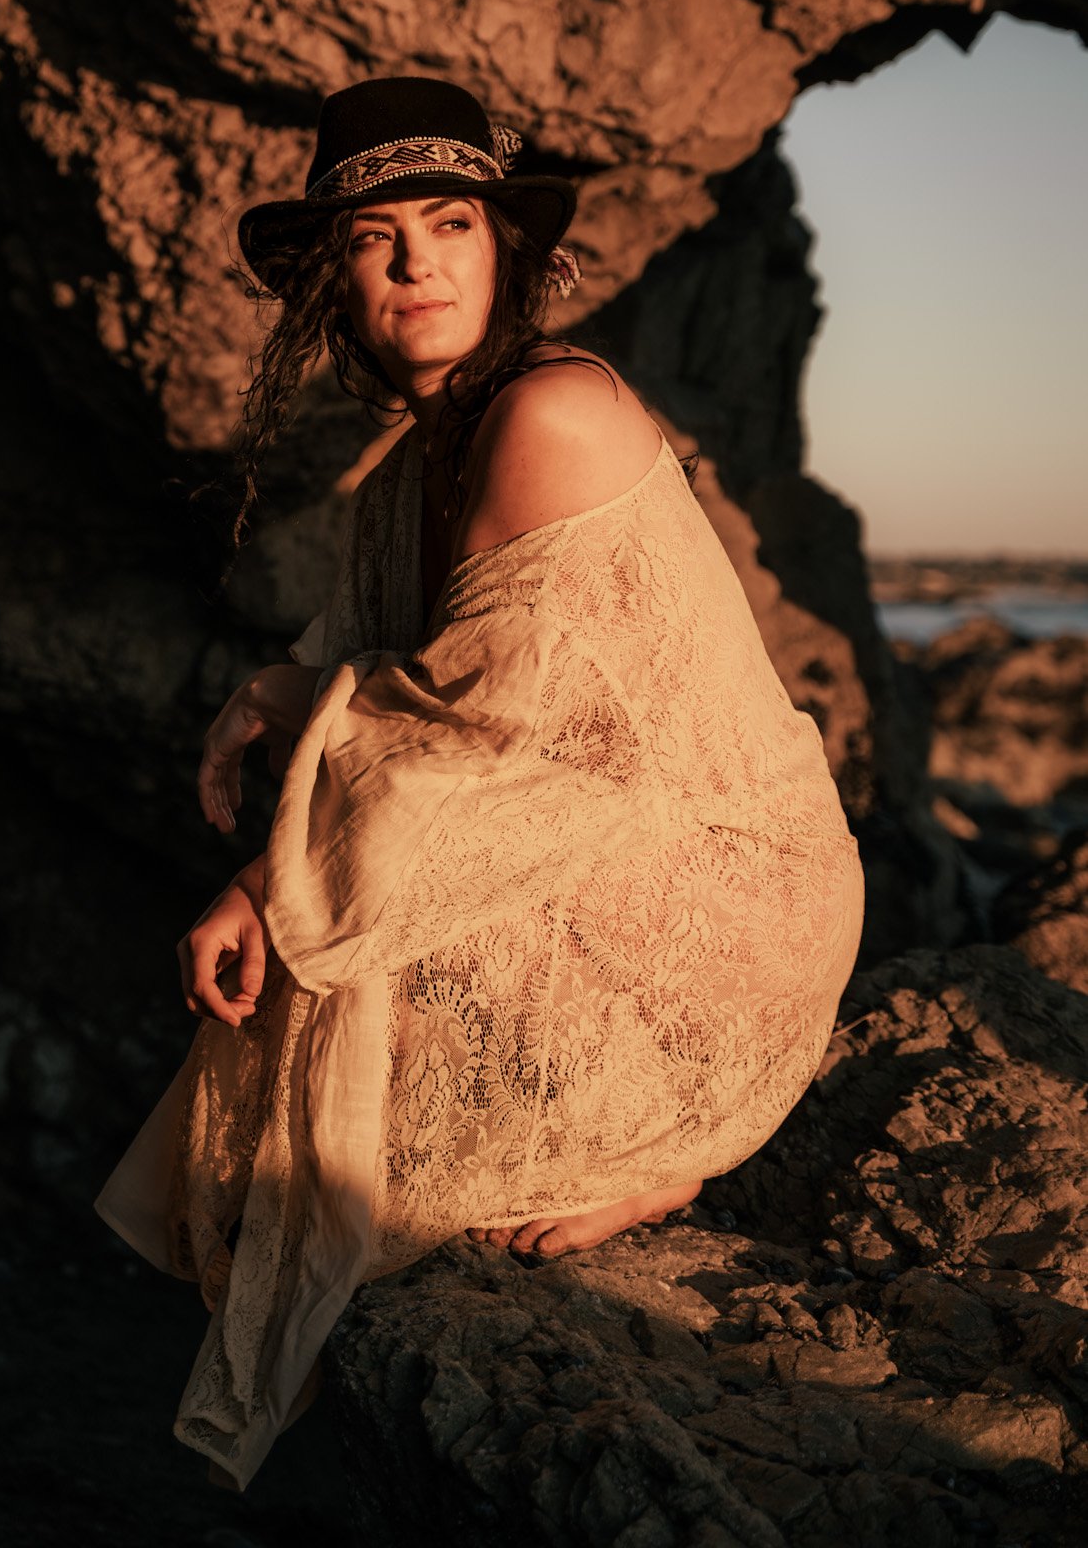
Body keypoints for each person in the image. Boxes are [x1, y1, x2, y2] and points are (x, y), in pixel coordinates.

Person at [95, 76, 865, 1491]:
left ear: (507, 249)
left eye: (448, 221)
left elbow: (464, 750)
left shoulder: (550, 410)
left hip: (718, 891)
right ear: (337, 278)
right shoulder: (408, 466)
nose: (414, 262)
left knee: (344, 945)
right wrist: (274, 729)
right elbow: (385, 689)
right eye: (375, 237)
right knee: (332, 946)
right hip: (605, 848)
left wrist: (264, 876)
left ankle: (655, 1143)